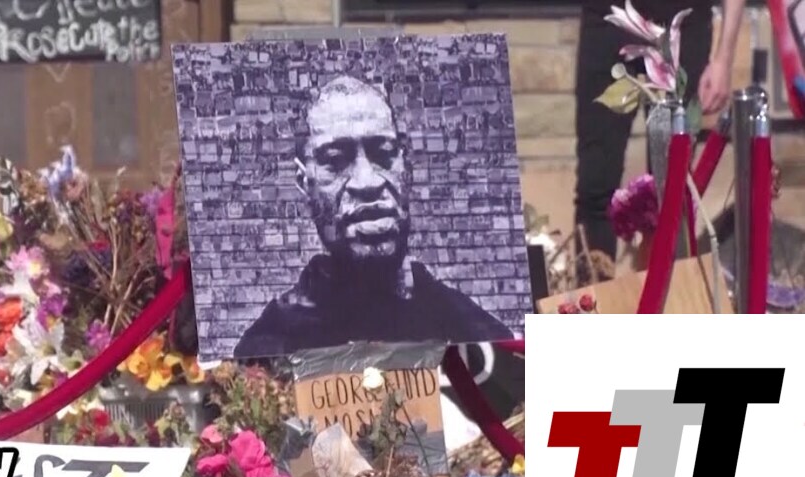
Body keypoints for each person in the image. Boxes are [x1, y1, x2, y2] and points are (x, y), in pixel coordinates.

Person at [233, 77, 514, 360]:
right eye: (335, 160)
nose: (367, 182)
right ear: (304, 182)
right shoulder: (267, 349)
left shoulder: (477, 336)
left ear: (406, 166)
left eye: (383, 154)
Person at [575, 0, 745, 262]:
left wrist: (724, 59)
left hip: (682, 21)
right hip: (608, 16)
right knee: (595, 184)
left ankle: (661, 286)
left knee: (669, 192)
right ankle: (593, 285)